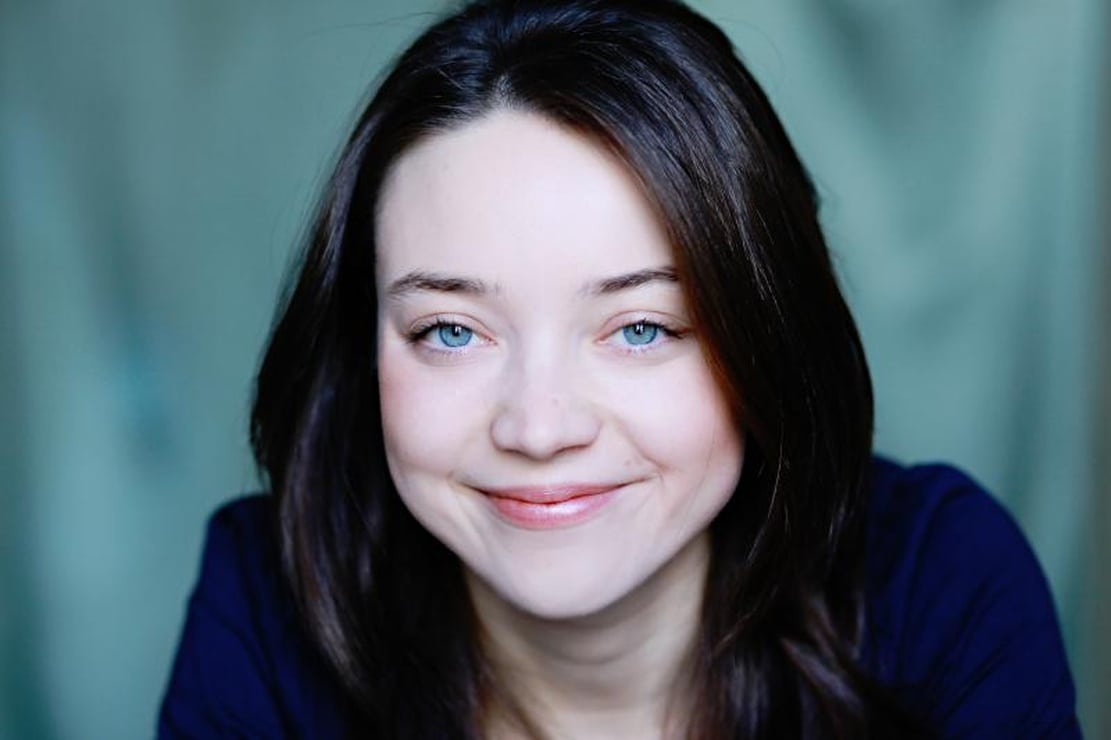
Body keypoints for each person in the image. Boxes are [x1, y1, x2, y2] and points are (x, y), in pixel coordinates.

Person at [158, 0, 1080, 737]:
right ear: (361, 349)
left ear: (766, 336)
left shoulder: (936, 585)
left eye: (639, 328)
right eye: (450, 332)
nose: (538, 428)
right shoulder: (268, 607)